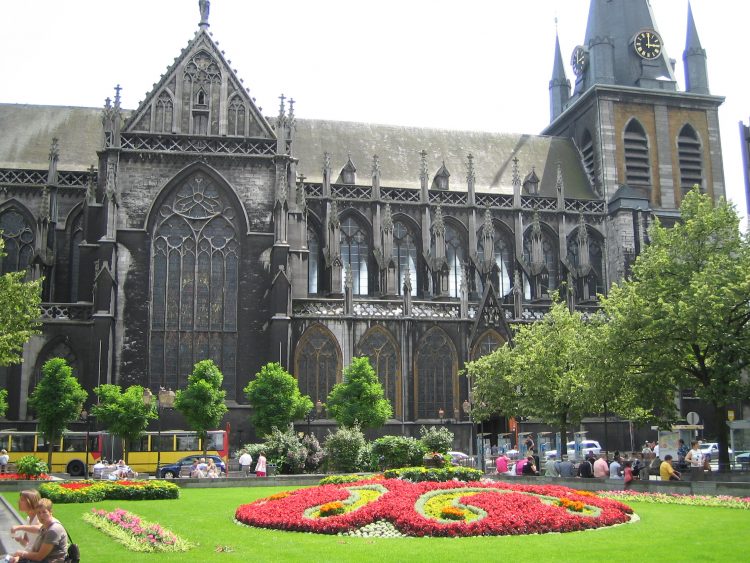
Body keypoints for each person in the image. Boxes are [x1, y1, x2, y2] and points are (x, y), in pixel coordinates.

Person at [7, 498, 68, 563]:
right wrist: (19, 557)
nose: (41, 515)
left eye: (44, 512)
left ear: (50, 512)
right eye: (38, 513)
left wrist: (21, 553)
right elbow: (34, 550)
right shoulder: (45, 525)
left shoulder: (53, 530)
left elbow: (39, 557)